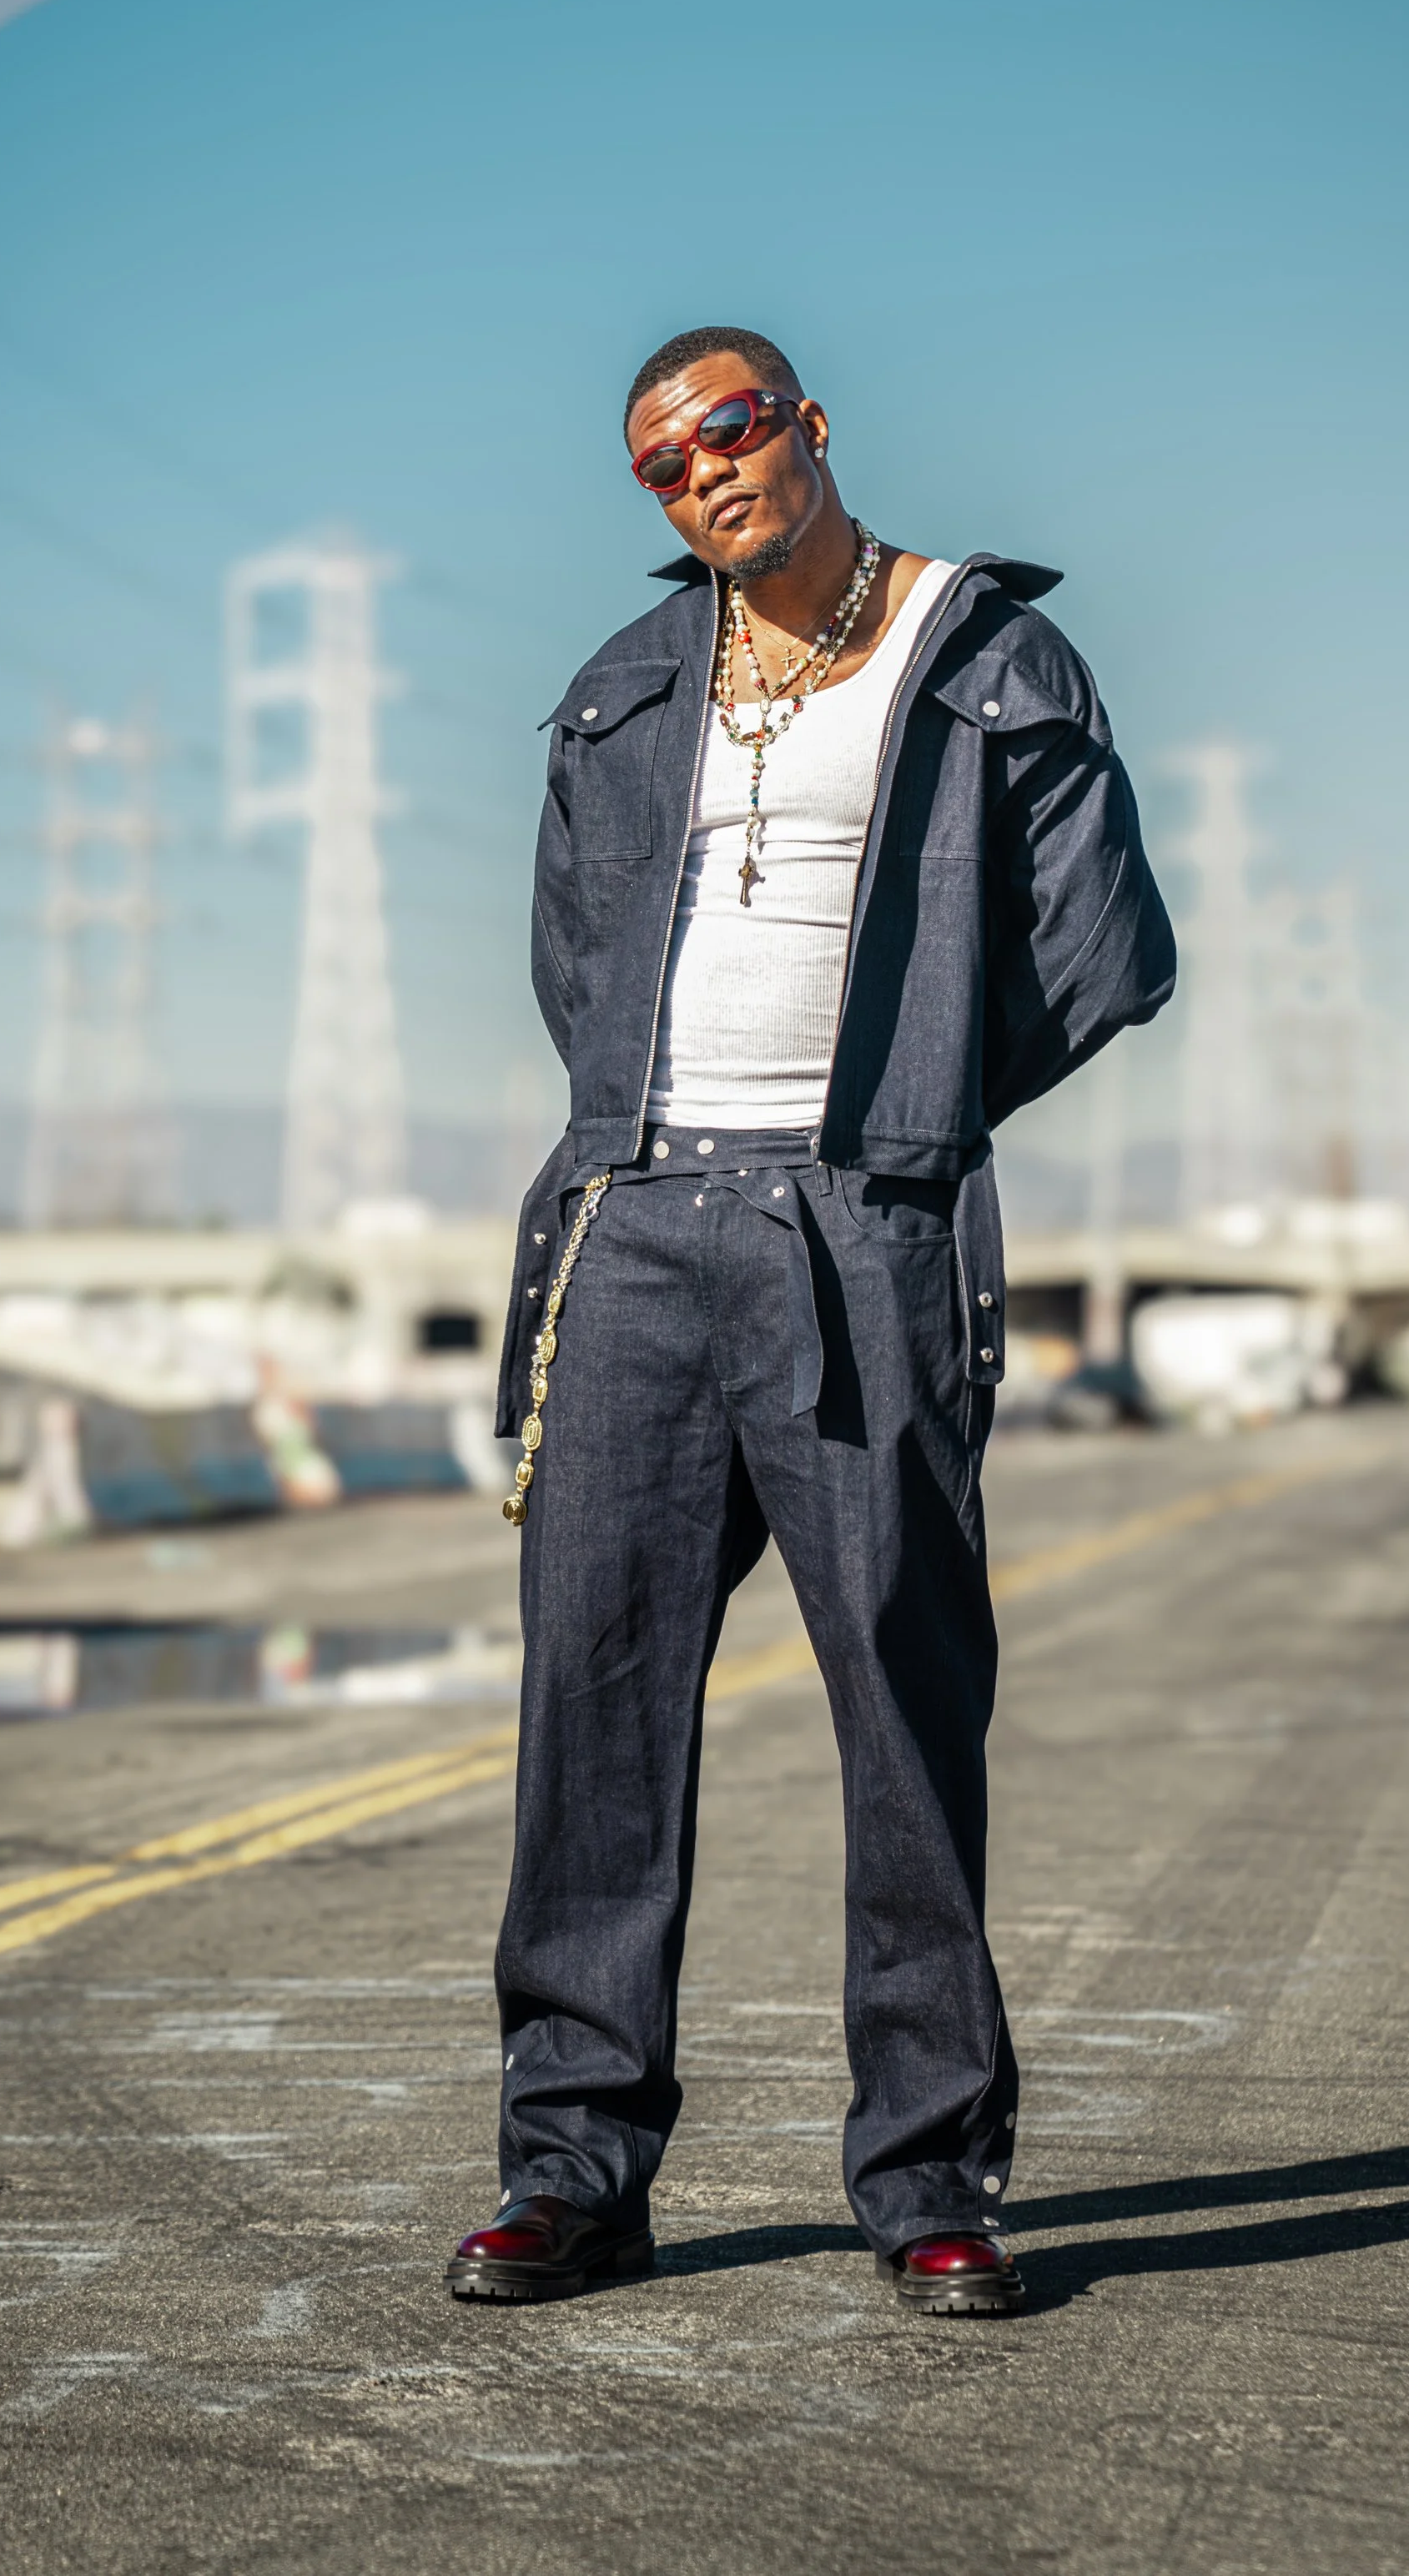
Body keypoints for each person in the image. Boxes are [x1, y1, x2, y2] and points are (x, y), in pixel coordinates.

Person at [446, 325, 1175, 2317]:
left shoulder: (983, 656)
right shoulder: (624, 691)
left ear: (808, 423)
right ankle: (571, 2167)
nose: (707, 477)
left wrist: (906, 1123)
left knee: (899, 1707)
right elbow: (572, 963)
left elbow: (1105, 956)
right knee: (591, 1714)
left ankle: (929, 2172)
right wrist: (651, 1148)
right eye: (666, 467)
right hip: (637, 1224)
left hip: (865, 1229)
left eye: (733, 430)